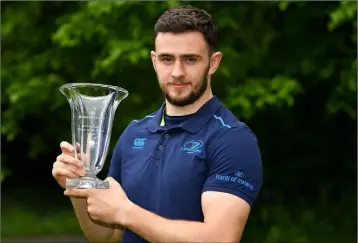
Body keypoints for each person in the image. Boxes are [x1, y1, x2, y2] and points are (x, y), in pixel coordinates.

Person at [52, 5, 263, 243]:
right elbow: (108, 236)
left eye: (190, 59)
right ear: (154, 61)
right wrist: (79, 188)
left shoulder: (232, 139)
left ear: (213, 63)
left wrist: (127, 213)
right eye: (166, 59)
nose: (177, 72)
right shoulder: (134, 133)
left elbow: (219, 239)